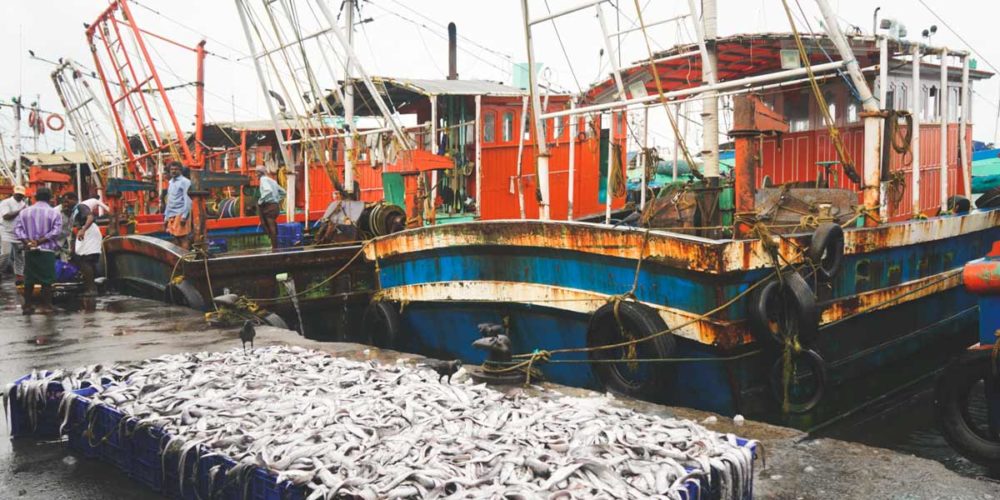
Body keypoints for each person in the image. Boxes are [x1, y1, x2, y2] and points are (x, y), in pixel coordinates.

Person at [14, 187, 63, 314]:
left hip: (30, 251)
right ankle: (47, 305)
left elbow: (18, 229)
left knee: (29, 279)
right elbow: (56, 231)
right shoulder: (54, 213)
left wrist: (27, 242)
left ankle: (27, 305)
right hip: (46, 251)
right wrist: (40, 241)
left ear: (35, 197)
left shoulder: (24, 212)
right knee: (47, 280)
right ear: (50, 198)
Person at [67, 193, 103, 296]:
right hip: (85, 233)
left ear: (73, 199)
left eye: (67, 200)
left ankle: (91, 289)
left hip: (89, 232)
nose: (66, 203)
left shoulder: (80, 206)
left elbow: (90, 217)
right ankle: (91, 287)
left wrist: (83, 229)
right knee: (85, 259)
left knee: (85, 260)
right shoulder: (74, 211)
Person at [0, 185, 28, 283]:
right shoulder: (6, 202)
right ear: (14, 193)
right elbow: (6, 216)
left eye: (21, 195)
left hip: (18, 233)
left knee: (20, 255)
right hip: (6, 232)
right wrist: (20, 211)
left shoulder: (24, 204)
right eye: (18, 194)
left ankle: (19, 276)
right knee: (6, 254)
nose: (19, 196)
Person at [163, 161, 192, 250]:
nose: (173, 171)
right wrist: (166, 217)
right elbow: (169, 200)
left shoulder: (185, 182)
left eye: (176, 169)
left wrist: (184, 216)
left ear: (180, 170)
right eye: (172, 169)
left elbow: (188, 200)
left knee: (183, 237)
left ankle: (185, 259)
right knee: (175, 237)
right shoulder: (171, 182)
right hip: (171, 214)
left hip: (180, 213)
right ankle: (179, 259)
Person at [256, 165, 285, 249]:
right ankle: (275, 244)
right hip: (275, 207)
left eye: (256, 172)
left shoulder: (263, 179)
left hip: (269, 206)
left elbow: (268, 191)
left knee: (270, 226)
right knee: (272, 225)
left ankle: (275, 247)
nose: (255, 175)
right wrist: (276, 199)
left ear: (260, 173)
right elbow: (283, 192)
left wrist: (260, 200)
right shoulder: (272, 181)